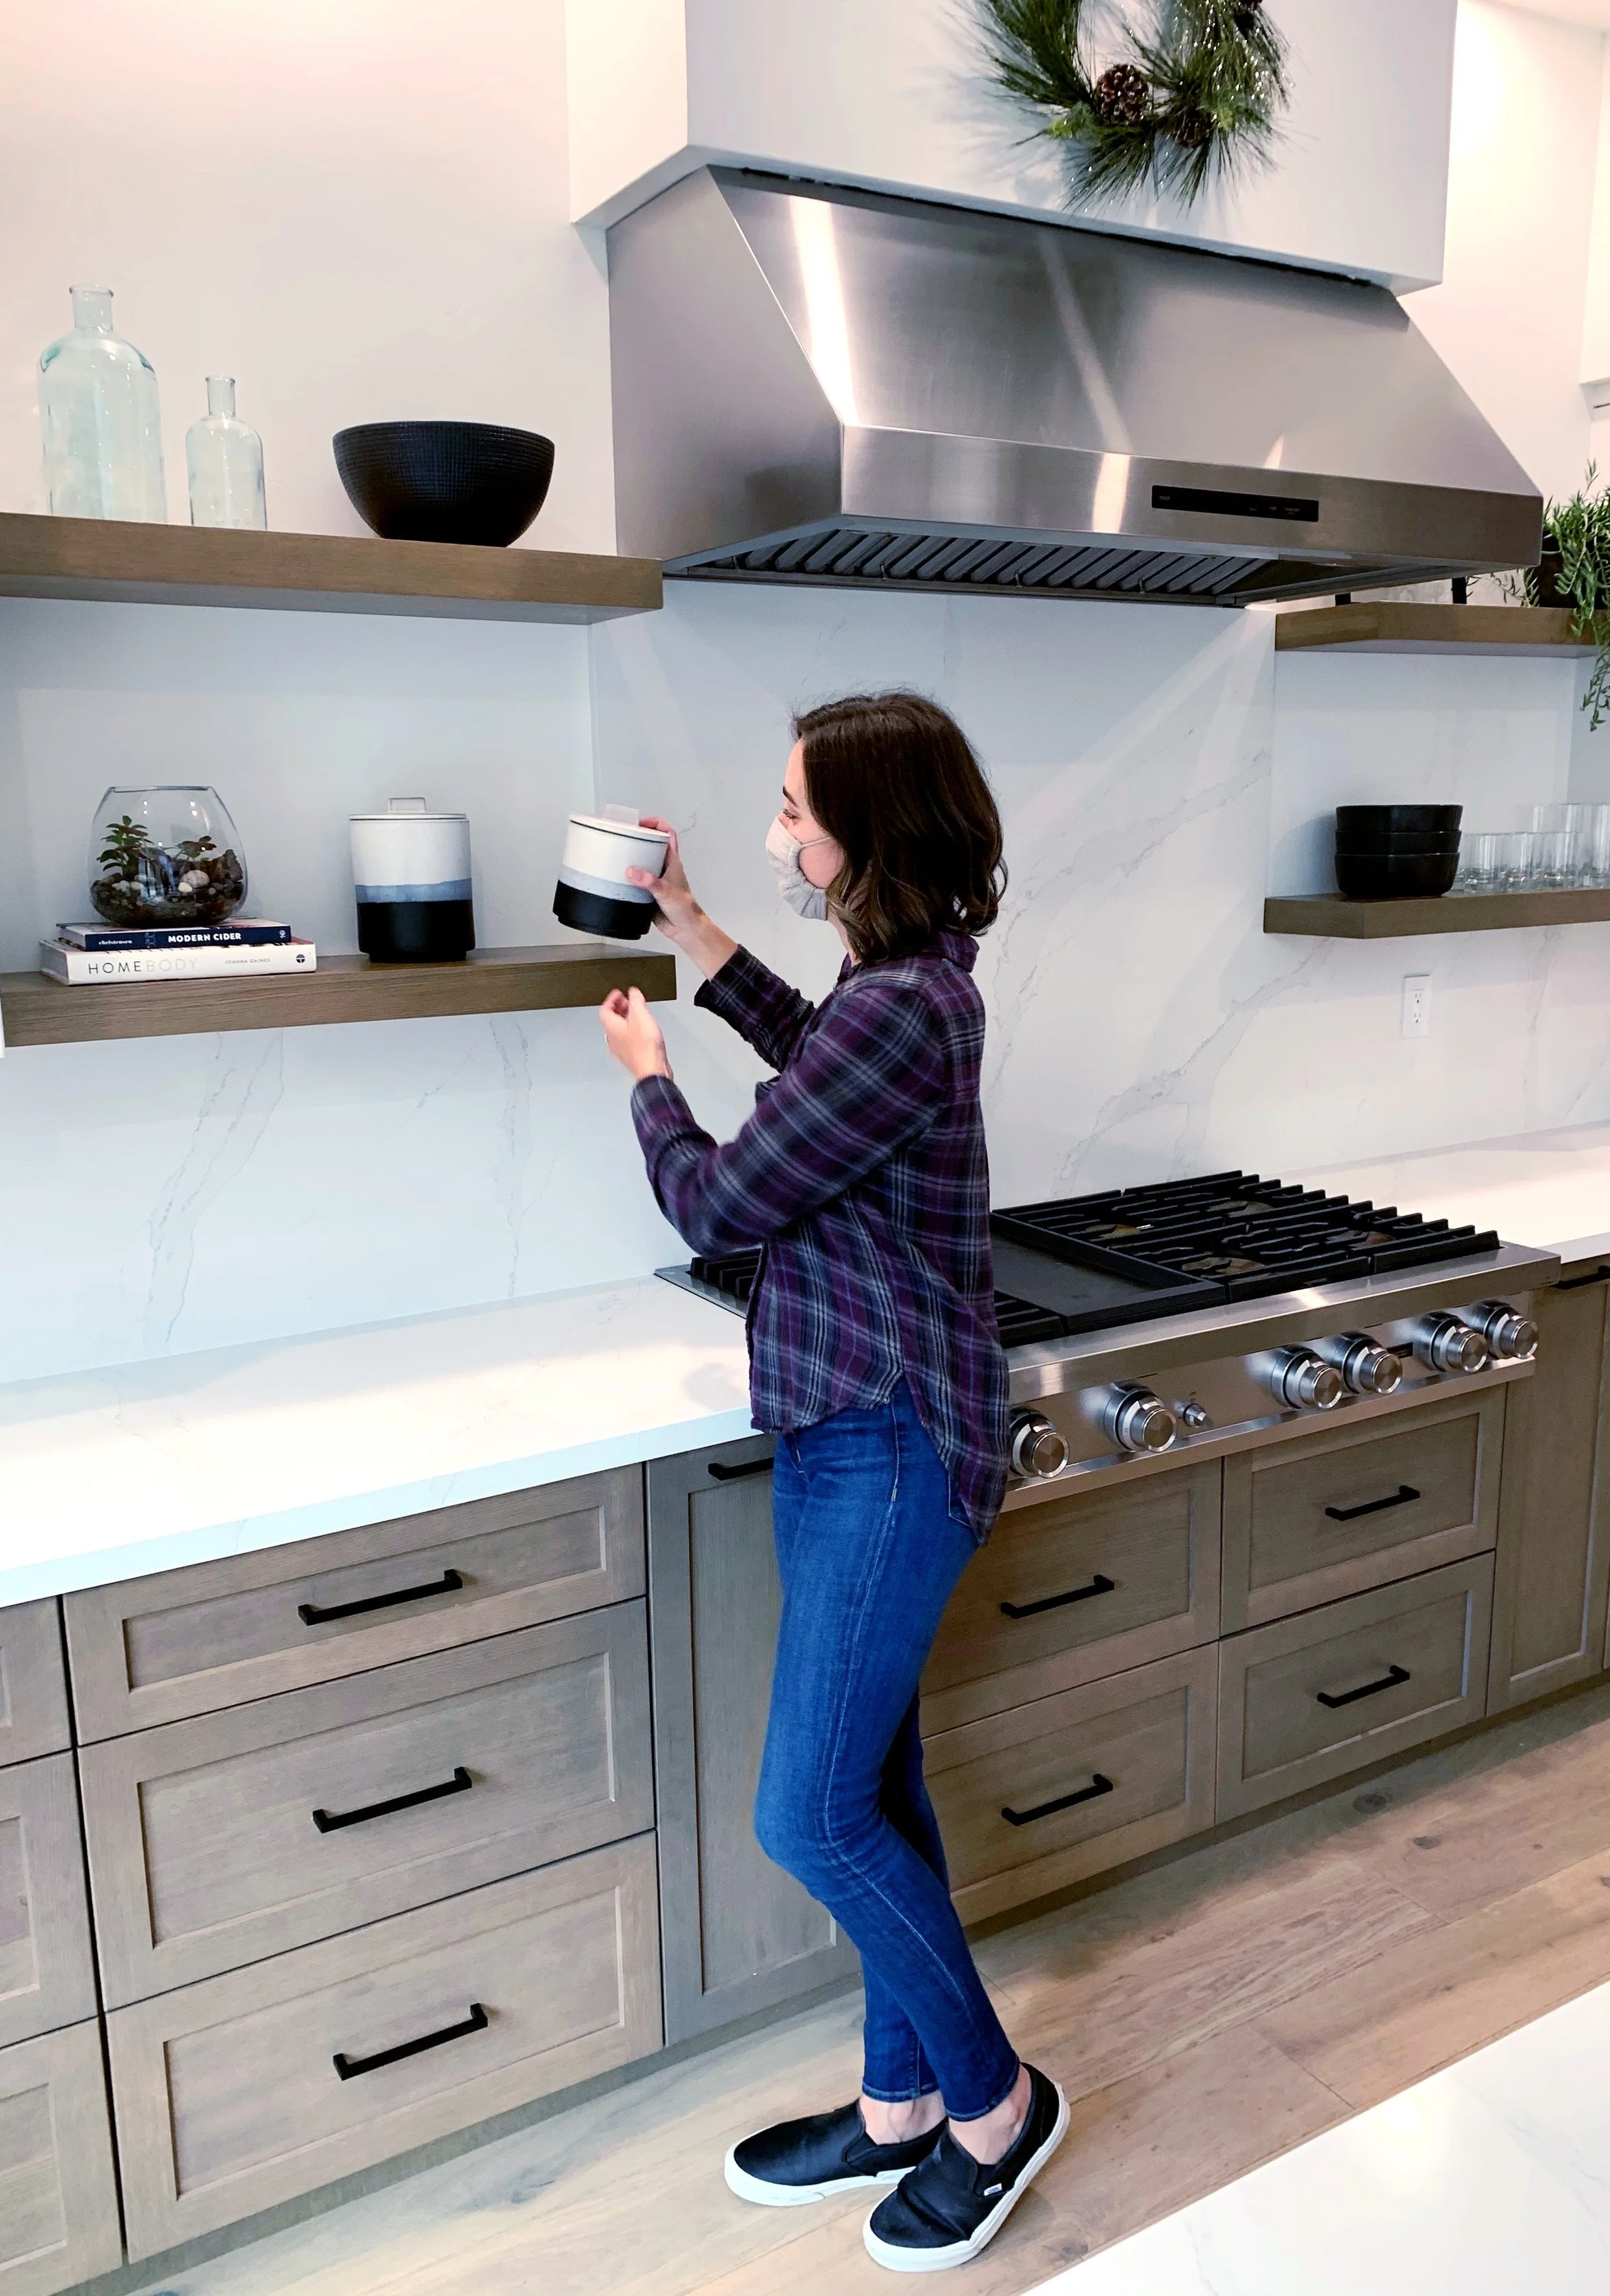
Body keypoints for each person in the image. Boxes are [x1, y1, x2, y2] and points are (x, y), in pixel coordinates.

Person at [597, 690, 1068, 2274]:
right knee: (871, 1787)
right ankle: (892, 2106)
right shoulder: (907, 986)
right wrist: (697, 924)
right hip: (846, 1422)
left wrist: (647, 1076)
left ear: (864, 827)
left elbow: (723, 1204)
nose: (778, 826)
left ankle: (992, 2105)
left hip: (882, 1436)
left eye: (792, 807)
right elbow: (816, 1064)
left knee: (807, 1812)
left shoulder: (903, 1008)